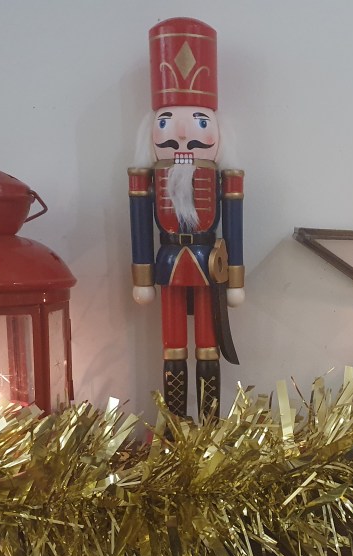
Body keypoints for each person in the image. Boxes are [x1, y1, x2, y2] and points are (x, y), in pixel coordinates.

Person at [128, 17, 244, 419]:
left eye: (198, 121)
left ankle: (209, 424)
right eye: (165, 121)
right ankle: (176, 423)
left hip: (209, 263)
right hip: (168, 262)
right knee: (173, 345)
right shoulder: (146, 176)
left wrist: (235, 280)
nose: (181, 132)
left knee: (208, 346)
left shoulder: (225, 177)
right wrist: (142, 276)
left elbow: (234, 226)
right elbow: (140, 224)